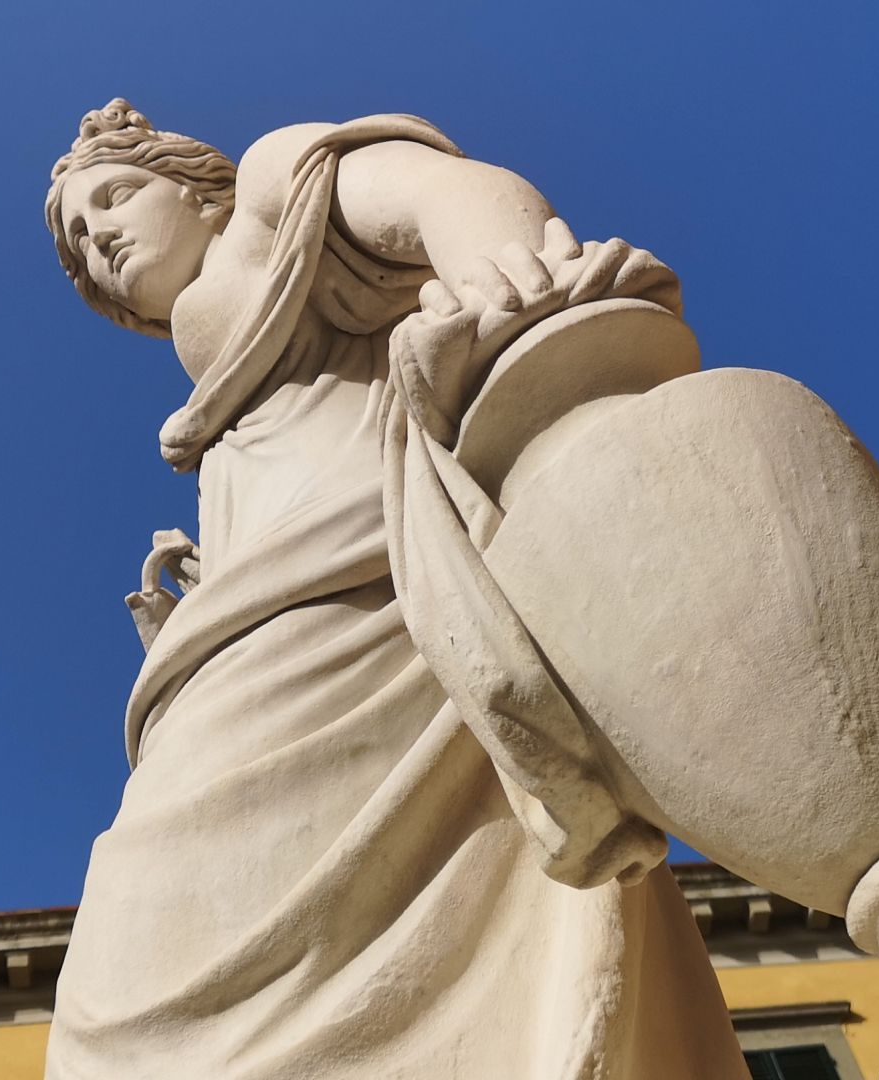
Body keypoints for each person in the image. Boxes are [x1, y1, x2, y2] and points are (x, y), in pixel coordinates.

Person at [40, 98, 749, 1080]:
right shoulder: (215, 386)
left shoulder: (270, 194)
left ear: (198, 194)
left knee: (137, 987)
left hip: (380, 613)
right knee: (117, 1000)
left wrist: (518, 302)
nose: (97, 236)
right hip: (254, 655)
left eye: (114, 197)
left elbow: (449, 196)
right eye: (79, 238)